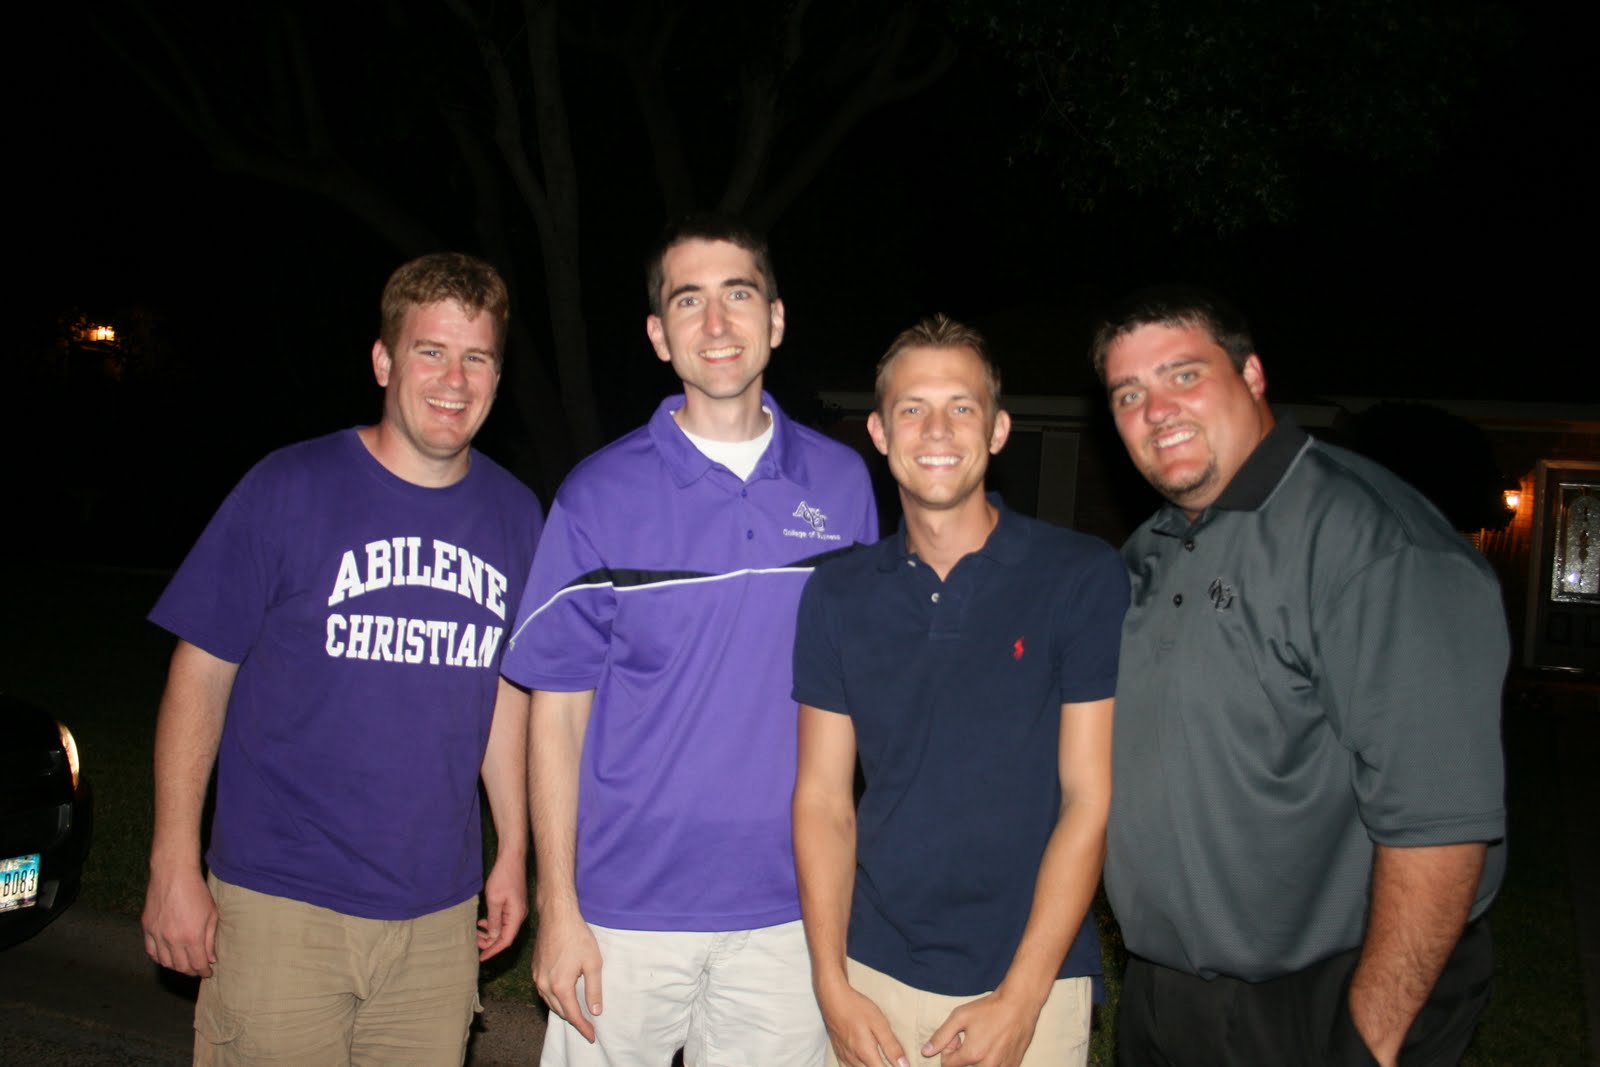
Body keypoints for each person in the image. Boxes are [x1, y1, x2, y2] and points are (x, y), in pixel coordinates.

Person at [142, 253, 543, 1065]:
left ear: (498, 376)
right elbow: (200, 673)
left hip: (437, 921)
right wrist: (172, 858)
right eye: (431, 351)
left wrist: (513, 848)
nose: (455, 380)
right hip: (282, 905)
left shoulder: (514, 513)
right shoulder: (289, 487)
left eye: (477, 358)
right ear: (384, 360)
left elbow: (504, 692)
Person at [500, 214, 879, 1066]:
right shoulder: (597, 494)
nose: (716, 322)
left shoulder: (843, 486)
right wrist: (559, 905)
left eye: (738, 294)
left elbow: (866, 688)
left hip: (793, 908)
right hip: (622, 912)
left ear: (775, 319)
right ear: (658, 334)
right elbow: (555, 714)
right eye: (688, 300)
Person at [1095, 286, 1508, 1066]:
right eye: (1128, 393)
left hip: (1323, 998)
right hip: (1166, 993)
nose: (1157, 410)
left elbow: (1442, 829)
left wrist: (1367, 1037)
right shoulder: (1149, 551)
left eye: (1184, 375)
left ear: (1252, 375)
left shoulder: (1375, 546)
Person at [791, 316, 1128, 1067]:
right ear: (879, 431)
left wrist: (1023, 997)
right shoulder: (837, 593)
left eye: (962, 406)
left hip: (1031, 980)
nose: (937, 430)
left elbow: (1089, 799)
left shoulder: (1078, 575)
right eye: (912, 407)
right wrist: (831, 984)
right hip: (872, 975)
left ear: (998, 429)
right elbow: (822, 799)